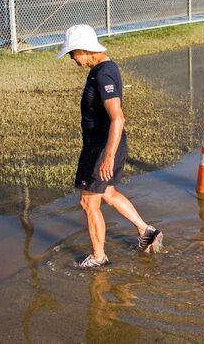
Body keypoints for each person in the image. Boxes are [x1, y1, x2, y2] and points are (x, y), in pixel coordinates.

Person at [57, 24, 163, 268]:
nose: (72, 58)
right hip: (103, 145)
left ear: (83, 49)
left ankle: (98, 258)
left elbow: (118, 117)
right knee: (108, 193)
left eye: (73, 53)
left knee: (88, 202)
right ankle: (147, 231)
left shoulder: (103, 73)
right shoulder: (105, 68)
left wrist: (107, 157)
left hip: (102, 148)